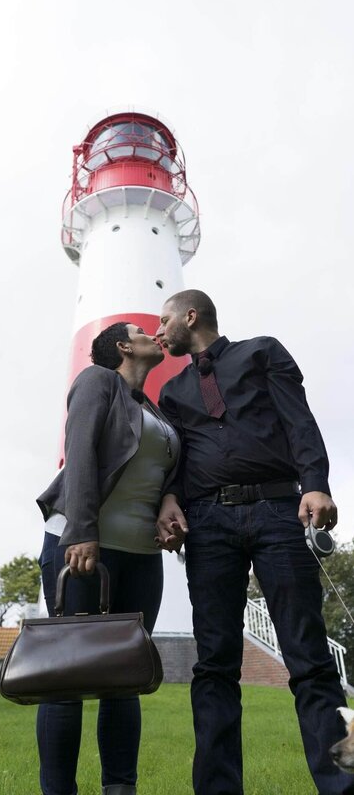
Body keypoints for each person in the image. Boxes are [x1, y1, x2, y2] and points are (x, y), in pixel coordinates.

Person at [155, 289, 354, 795]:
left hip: (278, 511)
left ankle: (339, 786)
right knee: (214, 665)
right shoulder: (172, 392)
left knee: (308, 657)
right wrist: (169, 499)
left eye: (163, 321)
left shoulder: (263, 352)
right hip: (208, 524)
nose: (157, 332)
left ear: (190, 316)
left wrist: (315, 483)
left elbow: (299, 420)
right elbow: (176, 460)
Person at [36, 322, 180, 795]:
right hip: (81, 546)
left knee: (124, 677)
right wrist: (82, 531)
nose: (154, 333)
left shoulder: (153, 408)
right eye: (141, 330)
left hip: (142, 554)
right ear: (122, 346)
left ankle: (120, 790)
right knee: (66, 677)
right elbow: (78, 453)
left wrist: (170, 502)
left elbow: (166, 473)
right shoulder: (97, 381)